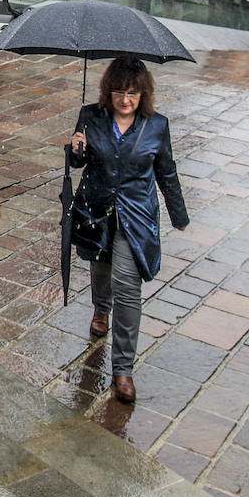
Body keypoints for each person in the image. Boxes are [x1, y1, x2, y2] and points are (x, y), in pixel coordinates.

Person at [69, 57, 189, 405]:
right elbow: (78, 161)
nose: (125, 100)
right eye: (119, 92)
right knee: (100, 266)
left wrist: (178, 214)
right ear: (109, 91)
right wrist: (75, 148)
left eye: (132, 93)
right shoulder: (91, 116)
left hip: (135, 217)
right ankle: (100, 309)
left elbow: (166, 171)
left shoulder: (157, 126)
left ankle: (123, 369)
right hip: (97, 211)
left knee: (127, 285)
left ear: (143, 94)